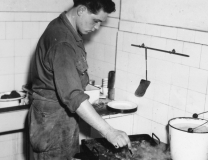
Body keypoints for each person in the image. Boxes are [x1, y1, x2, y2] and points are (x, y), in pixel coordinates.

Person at [28, 0, 131, 159]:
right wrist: (109, 131)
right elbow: (73, 96)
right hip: (53, 124)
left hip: (56, 120)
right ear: (81, 10)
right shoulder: (63, 42)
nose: (96, 27)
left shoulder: (63, 28)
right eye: (96, 20)